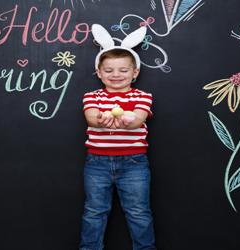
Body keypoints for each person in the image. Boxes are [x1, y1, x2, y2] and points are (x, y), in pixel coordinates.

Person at [79, 24, 156, 250]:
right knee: (94, 211)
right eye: (109, 70)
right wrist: (99, 121)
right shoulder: (92, 96)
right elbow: (91, 117)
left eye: (123, 70)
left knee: (139, 211)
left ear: (135, 73)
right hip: (97, 162)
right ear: (99, 73)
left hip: (134, 161)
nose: (116, 75)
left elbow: (139, 120)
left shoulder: (143, 96)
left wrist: (128, 121)